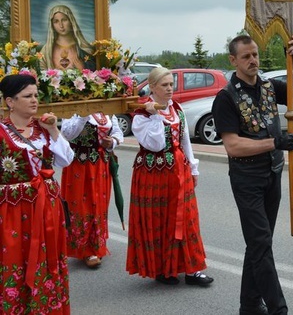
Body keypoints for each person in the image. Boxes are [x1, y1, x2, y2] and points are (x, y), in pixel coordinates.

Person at [211, 35, 293, 315]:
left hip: (273, 172)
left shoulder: (269, 86)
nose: (252, 60)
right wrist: (274, 142)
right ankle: (278, 309)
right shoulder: (226, 97)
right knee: (259, 243)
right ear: (233, 60)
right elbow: (232, 146)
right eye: (245, 56)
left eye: (255, 54)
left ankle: (249, 305)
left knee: (260, 243)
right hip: (247, 177)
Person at [126, 67, 214, 287]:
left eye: (170, 85)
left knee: (187, 218)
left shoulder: (176, 108)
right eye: (164, 85)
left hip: (179, 170)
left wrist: (193, 168)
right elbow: (154, 145)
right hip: (153, 175)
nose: (169, 89)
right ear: (152, 87)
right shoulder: (141, 115)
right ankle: (165, 269)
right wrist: (155, 116)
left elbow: (185, 140)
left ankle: (193, 269)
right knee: (161, 221)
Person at [0, 73, 74, 314]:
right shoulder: (1, 132)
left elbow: (66, 159)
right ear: (10, 101)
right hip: (13, 211)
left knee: (48, 256)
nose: (34, 100)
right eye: (27, 96)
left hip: (47, 208)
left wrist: (53, 130)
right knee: (15, 259)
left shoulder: (42, 128)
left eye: (35, 95)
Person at [60, 112, 124, 268]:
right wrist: (83, 116)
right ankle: (84, 248)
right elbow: (67, 134)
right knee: (81, 206)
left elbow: (117, 131)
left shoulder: (106, 110)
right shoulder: (73, 111)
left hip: (100, 163)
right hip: (79, 165)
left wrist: (113, 141)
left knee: (99, 204)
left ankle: (96, 245)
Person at [39, 4, 96, 71]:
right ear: (52, 25)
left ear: (71, 21)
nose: (61, 25)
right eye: (56, 21)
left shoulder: (84, 48)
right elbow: (41, 72)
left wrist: (82, 68)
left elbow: (94, 70)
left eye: (64, 20)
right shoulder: (46, 50)